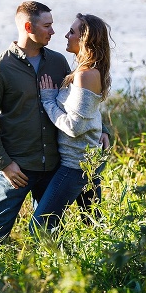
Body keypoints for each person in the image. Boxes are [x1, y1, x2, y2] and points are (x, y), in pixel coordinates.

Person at [0, 1, 108, 241]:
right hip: (18, 168)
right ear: (28, 26)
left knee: (49, 234)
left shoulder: (58, 62)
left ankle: (49, 276)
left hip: (54, 166)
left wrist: (104, 129)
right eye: (47, 26)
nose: (53, 32)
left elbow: (82, 101)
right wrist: (4, 164)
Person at [29, 13, 112, 236]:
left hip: (76, 165)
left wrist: (47, 99)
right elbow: (89, 110)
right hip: (86, 160)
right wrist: (103, 130)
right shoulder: (87, 71)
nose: (65, 35)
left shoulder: (85, 75)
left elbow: (75, 126)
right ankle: (106, 266)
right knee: (94, 226)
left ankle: (51, 270)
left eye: (72, 32)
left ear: (85, 40)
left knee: (40, 227)